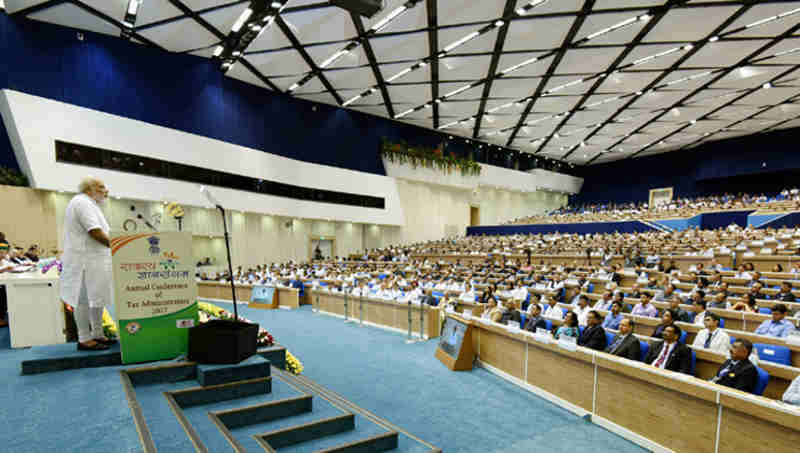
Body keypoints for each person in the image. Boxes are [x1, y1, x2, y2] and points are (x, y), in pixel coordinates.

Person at [59, 177, 116, 351]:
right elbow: (95, 232)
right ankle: (84, 338)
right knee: (82, 299)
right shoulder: (82, 202)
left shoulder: (91, 204)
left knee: (97, 299)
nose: (105, 190)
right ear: (89, 189)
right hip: (84, 261)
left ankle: (98, 334)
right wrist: (118, 248)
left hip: (96, 261)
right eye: (101, 187)